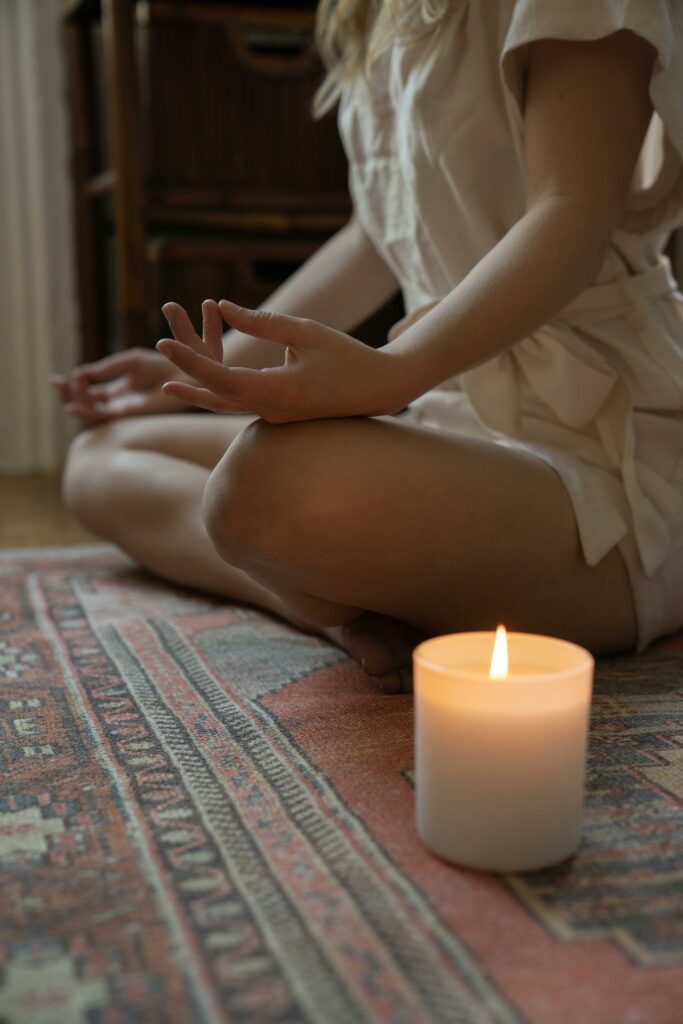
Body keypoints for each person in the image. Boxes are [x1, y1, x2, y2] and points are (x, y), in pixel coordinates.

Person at [54, 0, 683, 693]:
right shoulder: (375, 11)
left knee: (261, 486)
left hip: (600, 450)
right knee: (102, 454)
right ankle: (334, 615)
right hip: (447, 417)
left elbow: (570, 210)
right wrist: (214, 368)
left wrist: (393, 374)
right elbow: (376, 238)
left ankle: (333, 582)